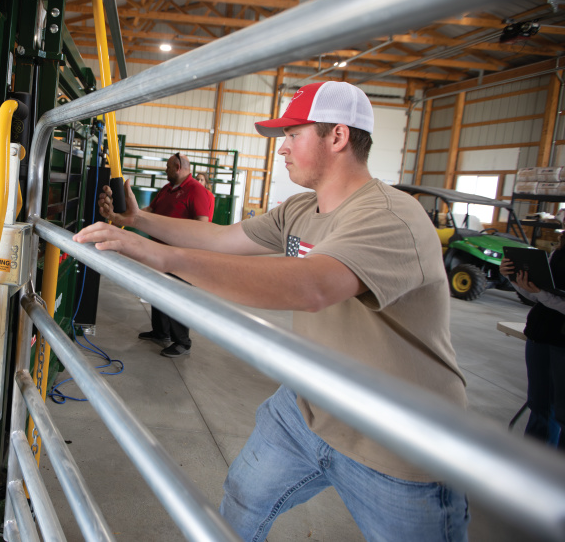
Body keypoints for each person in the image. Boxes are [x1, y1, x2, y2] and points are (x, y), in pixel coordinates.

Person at [75, 81, 470, 541]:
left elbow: (312, 286)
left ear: (337, 137)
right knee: (240, 504)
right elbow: (223, 238)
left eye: (293, 135)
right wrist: (138, 220)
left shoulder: (390, 216)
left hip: (398, 442)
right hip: (307, 407)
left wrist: (159, 257)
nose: (282, 150)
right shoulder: (302, 209)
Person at [138, 152, 214, 357]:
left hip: (180, 256)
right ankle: (160, 332)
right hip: (159, 252)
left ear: (178, 167)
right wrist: (132, 214)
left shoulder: (196, 191)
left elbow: (202, 224)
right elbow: (150, 210)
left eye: (169, 167)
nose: (166, 170)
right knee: (157, 292)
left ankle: (182, 342)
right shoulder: (166, 189)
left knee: (176, 296)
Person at [500, 234, 565, 448]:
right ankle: (532, 466)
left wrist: (541, 294)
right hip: (539, 335)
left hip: (560, 343)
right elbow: (537, 296)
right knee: (539, 407)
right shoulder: (559, 251)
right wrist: (516, 281)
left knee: (559, 412)